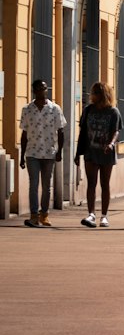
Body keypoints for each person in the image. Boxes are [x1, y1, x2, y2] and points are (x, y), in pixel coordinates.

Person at [75, 82, 123, 227]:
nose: (92, 95)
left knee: (105, 184)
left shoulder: (113, 112)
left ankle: (104, 216)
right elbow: (83, 132)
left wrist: (111, 143)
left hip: (106, 152)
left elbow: (116, 131)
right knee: (91, 183)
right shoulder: (88, 110)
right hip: (90, 151)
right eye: (92, 92)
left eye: (96, 93)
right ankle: (91, 214)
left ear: (104, 95)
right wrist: (78, 153)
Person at [19, 78, 66, 228]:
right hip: (32, 153)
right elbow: (24, 134)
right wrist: (21, 156)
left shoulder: (55, 109)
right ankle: (33, 216)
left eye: (44, 88)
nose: (42, 91)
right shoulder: (27, 109)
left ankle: (44, 214)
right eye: (39, 88)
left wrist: (59, 151)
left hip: (49, 153)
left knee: (47, 186)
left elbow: (61, 131)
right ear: (34, 91)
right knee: (33, 185)